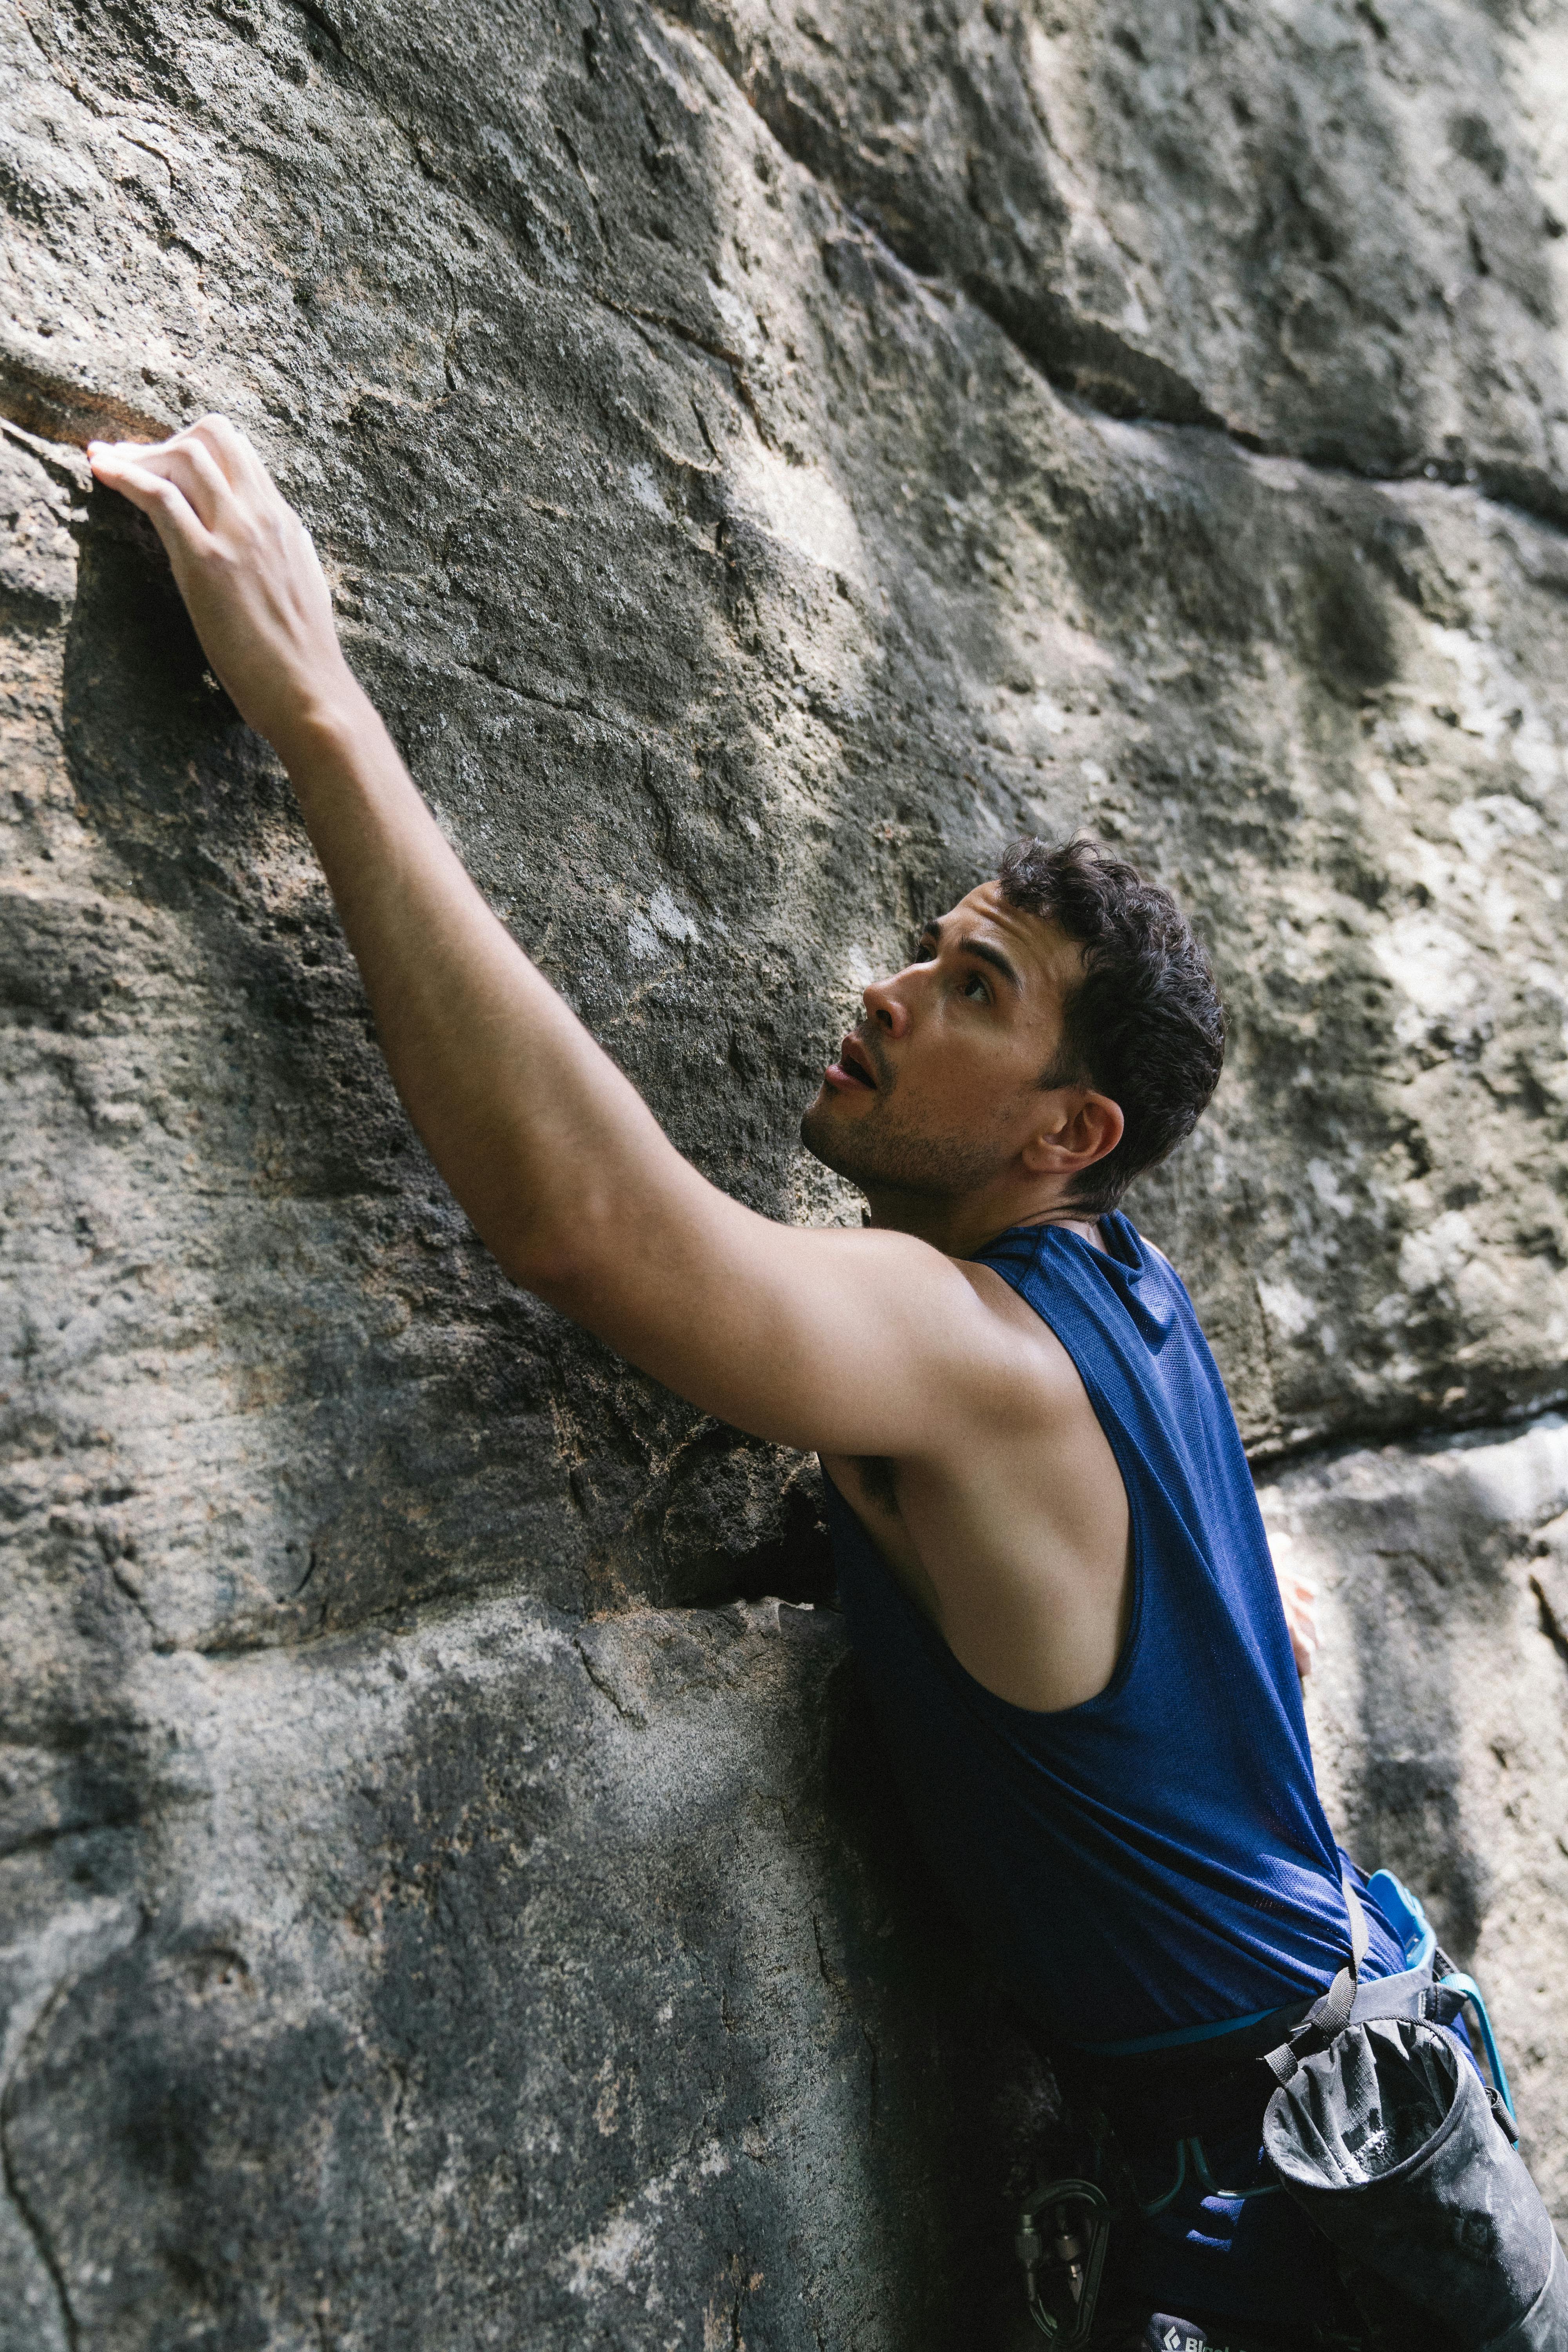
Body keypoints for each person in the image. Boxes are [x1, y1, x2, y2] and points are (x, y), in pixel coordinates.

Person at [88, 417, 1406, 2350]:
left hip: (1282, 2220)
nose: (886, 988)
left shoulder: (986, 1354)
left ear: (1071, 1132)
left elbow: (597, 1232)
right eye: (928, 947)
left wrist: (323, 716)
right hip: (1346, 2089)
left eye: (976, 990)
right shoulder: (1126, 1294)